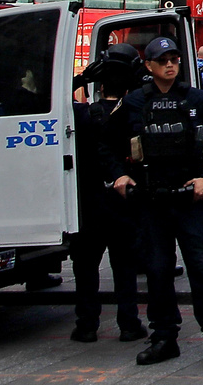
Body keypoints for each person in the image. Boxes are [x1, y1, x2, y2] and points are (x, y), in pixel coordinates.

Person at [100, 37, 203, 366]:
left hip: (189, 200)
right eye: (162, 59)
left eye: (174, 58)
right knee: (157, 270)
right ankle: (164, 337)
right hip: (151, 201)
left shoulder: (195, 98)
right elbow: (106, 144)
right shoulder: (135, 102)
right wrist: (119, 176)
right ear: (149, 66)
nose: (170, 64)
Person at [70, 43, 145, 344]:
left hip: (87, 201)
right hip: (122, 200)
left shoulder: (80, 115)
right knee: (124, 266)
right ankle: (129, 323)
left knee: (86, 267)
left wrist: (81, 79)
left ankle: (86, 325)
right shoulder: (132, 114)